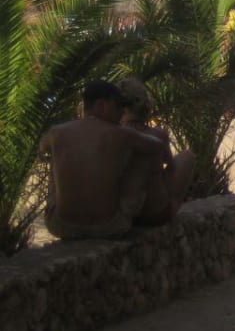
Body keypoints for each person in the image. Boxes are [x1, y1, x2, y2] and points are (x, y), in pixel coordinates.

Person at [39, 81, 171, 239]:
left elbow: (42, 148)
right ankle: (134, 208)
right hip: (109, 226)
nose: (123, 112)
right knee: (144, 152)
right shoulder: (121, 134)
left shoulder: (56, 132)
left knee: (57, 153)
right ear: (101, 105)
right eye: (119, 106)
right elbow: (158, 146)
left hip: (60, 226)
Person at [117, 77, 196, 226]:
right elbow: (171, 166)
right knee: (187, 156)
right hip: (156, 213)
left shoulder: (113, 135)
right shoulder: (157, 135)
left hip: (124, 213)